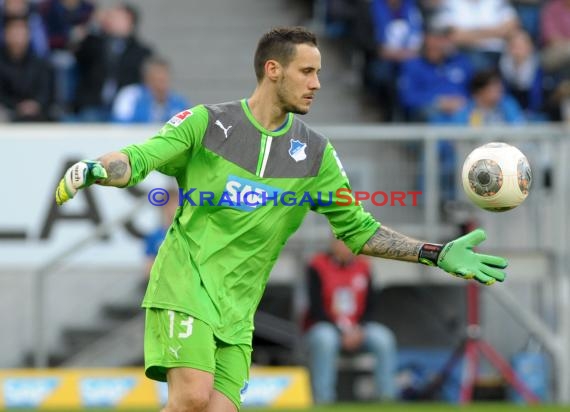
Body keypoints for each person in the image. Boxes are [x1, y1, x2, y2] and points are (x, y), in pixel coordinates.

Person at [54, 26, 508, 412]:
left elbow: (360, 232)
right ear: (274, 70)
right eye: (307, 72)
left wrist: (435, 253)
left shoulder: (316, 155)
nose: (317, 84)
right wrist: (95, 169)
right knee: (191, 397)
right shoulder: (206, 123)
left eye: (319, 73)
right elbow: (138, 158)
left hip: (239, 308)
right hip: (185, 283)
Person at [305, 238, 397, 404]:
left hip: (358, 328)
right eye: (341, 242)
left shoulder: (364, 266)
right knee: (325, 340)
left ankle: (387, 398)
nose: (346, 247)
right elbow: (315, 308)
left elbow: (371, 305)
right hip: (328, 326)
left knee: (384, 338)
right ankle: (323, 400)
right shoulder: (317, 265)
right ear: (333, 244)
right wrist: (341, 332)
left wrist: (359, 329)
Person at [111, 56, 190, 124]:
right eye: (157, 80)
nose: (161, 86)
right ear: (147, 79)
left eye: (164, 80)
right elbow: (120, 127)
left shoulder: (178, 102)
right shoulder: (130, 96)